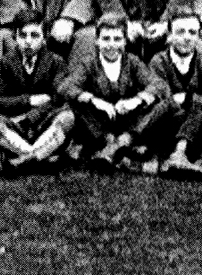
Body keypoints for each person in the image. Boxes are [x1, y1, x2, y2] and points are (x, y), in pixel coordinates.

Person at [58, 11, 173, 173]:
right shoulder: (89, 63)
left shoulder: (132, 62)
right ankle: (112, 146)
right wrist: (93, 100)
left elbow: (159, 85)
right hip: (98, 124)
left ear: (125, 41)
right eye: (106, 39)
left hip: (128, 122)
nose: (111, 45)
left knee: (164, 103)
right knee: (74, 102)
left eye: (117, 39)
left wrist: (136, 100)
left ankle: (118, 146)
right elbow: (65, 87)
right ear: (97, 41)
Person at [0, 7, 76, 175]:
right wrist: (29, 100)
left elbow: (57, 98)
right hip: (15, 127)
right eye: (23, 35)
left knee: (67, 117)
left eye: (34, 35)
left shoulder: (56, 62)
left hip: (44, 125)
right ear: (15, 37)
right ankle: (40, 158)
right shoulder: (4, 63)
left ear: (44, 37)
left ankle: (23, 159)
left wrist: (33, 116)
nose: (28, 41)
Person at [146, 2, 202, 179]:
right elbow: (163, 104)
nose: (186, 37)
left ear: (199, 36)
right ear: (169, 35)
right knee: (198, 106)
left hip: (197, 125)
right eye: (180, 32)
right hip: (167, 125)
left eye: (192, 32)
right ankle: (178, 155)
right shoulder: (159, 62)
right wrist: (193, 101)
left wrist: (189, 98)